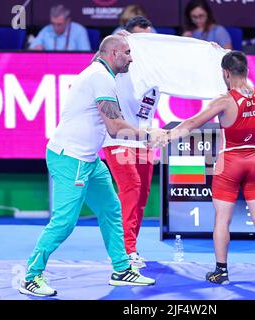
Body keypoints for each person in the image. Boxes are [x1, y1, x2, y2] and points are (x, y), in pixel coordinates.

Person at [19, 35, 165, 297]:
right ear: (113, 54)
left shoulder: (100, 71)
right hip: (70, 158)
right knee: (64, 222)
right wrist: (148, 135)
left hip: (89, 159)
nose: (131, 58)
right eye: (128, 53)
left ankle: (121, 269)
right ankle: (31, 276)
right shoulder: (101, 77)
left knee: (111, 209)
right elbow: (114, 126)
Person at [166, 51, 255, 284]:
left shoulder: (224, 101)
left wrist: (167, 136)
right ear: (246, 71)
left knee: (221, 220)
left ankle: (221, 271)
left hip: (229, 162)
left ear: (225, 74)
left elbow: (193, 122)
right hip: (254, 159)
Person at [102, 16, 154, 269]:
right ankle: (125, 250)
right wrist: (120, 37)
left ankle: (130, 246)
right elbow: (101, 56)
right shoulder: (118, 64)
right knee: (131, 188)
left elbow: (186, 66)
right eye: (139, 40)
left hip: (144, 140)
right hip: (119, 138)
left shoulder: (156, 68)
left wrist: (208, 52)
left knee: (141, 194)